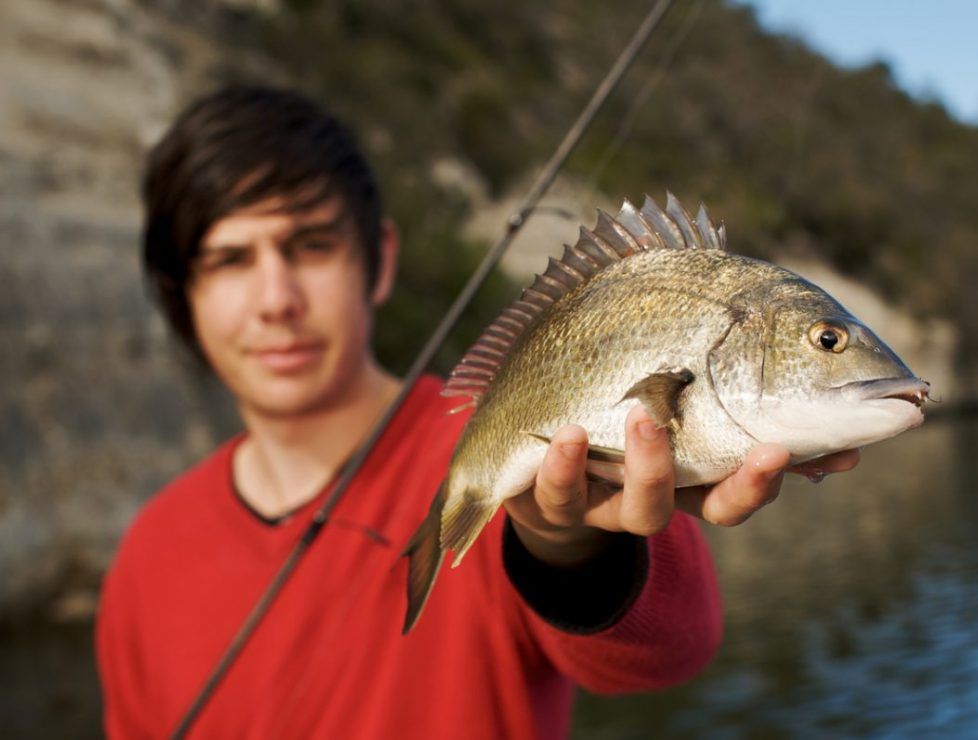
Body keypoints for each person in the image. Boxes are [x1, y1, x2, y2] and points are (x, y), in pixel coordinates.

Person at [95, 86, 859, 739]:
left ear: (381, 258)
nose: (276, 300)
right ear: (179, 296)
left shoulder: (505, 441)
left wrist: (564, 542)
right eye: (230, 260)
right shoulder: (148, 555)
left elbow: (668, 654)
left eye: (311, 245)